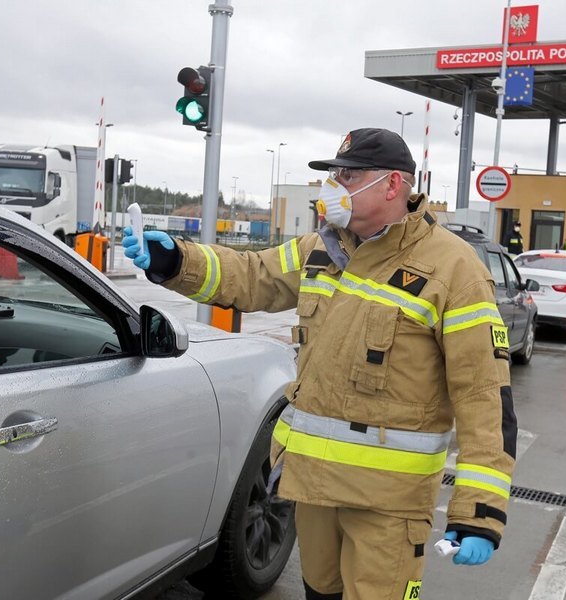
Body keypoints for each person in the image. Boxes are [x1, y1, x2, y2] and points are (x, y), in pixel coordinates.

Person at [123, 128, 516, 600]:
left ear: (392, 186)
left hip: (387, 504)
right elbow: (253, 276)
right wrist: (174, 260)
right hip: (313, 488)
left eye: (349, 175)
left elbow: (484, 398)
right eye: (335, 174)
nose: (335, 186)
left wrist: (479, 514)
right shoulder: (323, 246)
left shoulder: (454, 270)